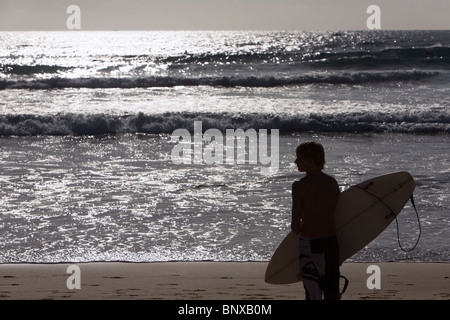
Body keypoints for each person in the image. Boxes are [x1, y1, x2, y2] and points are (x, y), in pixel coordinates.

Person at [291, 141, 341, 300]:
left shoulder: (299, 186)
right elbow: (340, 216)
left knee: (313, 294)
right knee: (332, 291)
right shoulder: (332, 183)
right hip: (332, 243)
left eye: (298, 158)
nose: (295, 162)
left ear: (309, 159)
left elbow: (295, 226)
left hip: (310, 245)